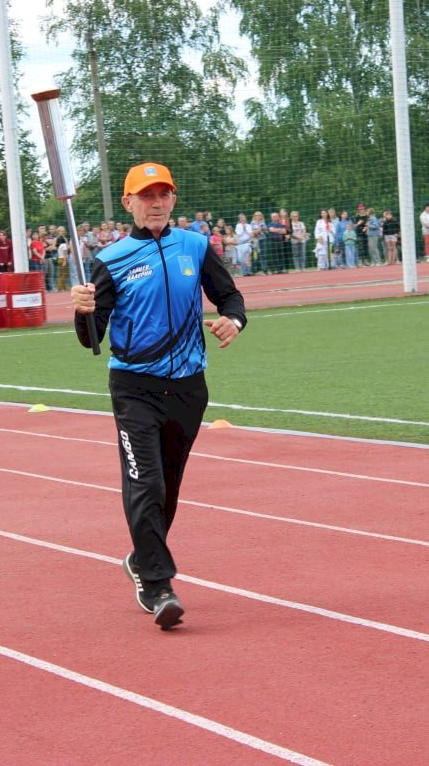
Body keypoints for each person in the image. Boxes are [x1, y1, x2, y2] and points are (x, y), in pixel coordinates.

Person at [70, 161, 246, 630]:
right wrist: (82, 312)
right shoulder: (110, 260)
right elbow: (93, 339)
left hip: (189, 389)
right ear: (129, 203)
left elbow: (229, 297)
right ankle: (158, 582)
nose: (156, 203)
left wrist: (235, 320)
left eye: (163, 194)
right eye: (146, 195)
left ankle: (140, 557)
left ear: (173, 199)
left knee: (167, 486)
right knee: (144, 483)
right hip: (135, 389)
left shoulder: (193, 244)